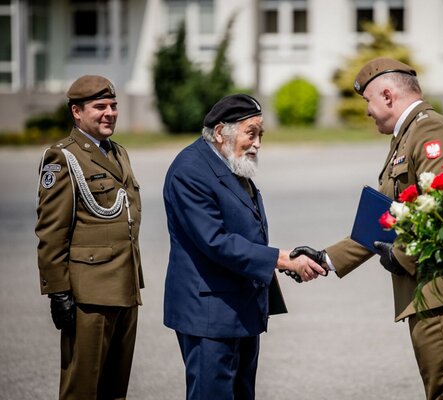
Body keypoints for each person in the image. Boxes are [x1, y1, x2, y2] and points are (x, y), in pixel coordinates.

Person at [291, 57, 443, 399]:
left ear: (388, 95)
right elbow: (386, 219)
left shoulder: (429, 131)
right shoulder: (409, 135)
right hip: (430, 292)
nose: (366, 111)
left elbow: (442, 209)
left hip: (442, 293)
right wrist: (326, 258)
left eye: (368, 101)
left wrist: (400, 254)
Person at [162, 94, 325, 400]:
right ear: (221, 131)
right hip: (209, 314)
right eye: (251, 133)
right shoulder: (190, 171)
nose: (258, 143)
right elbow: (216, 241)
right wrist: (282, 259)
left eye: (260, 134)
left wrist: (283, 258)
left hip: (239, 308)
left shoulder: (229, 162)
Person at [35, 75, 144, 399]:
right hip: (89, 296)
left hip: (124, 288)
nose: (109, 112)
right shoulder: (63, 158)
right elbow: (51, 232)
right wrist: (59, 292)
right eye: (100, 107)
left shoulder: (118, 152)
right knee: (82, 389)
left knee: (115, 390)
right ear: (77, 112)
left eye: (113, 105)